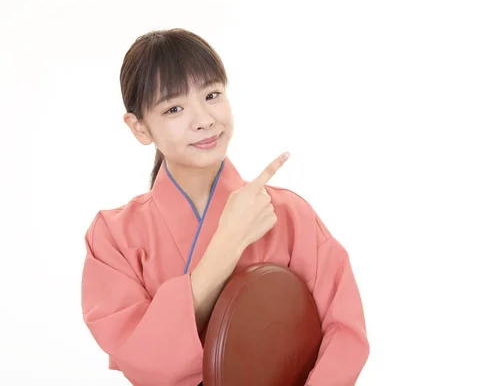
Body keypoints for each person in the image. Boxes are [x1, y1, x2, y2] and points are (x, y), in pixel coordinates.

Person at [80, 27, 370, 386]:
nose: (204, 119)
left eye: (212, 94)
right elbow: (142, 359)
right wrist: (228, 242)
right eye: (174, 108)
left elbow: (345, 332)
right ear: (139, 128)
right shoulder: (113, 236)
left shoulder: (289, 214)